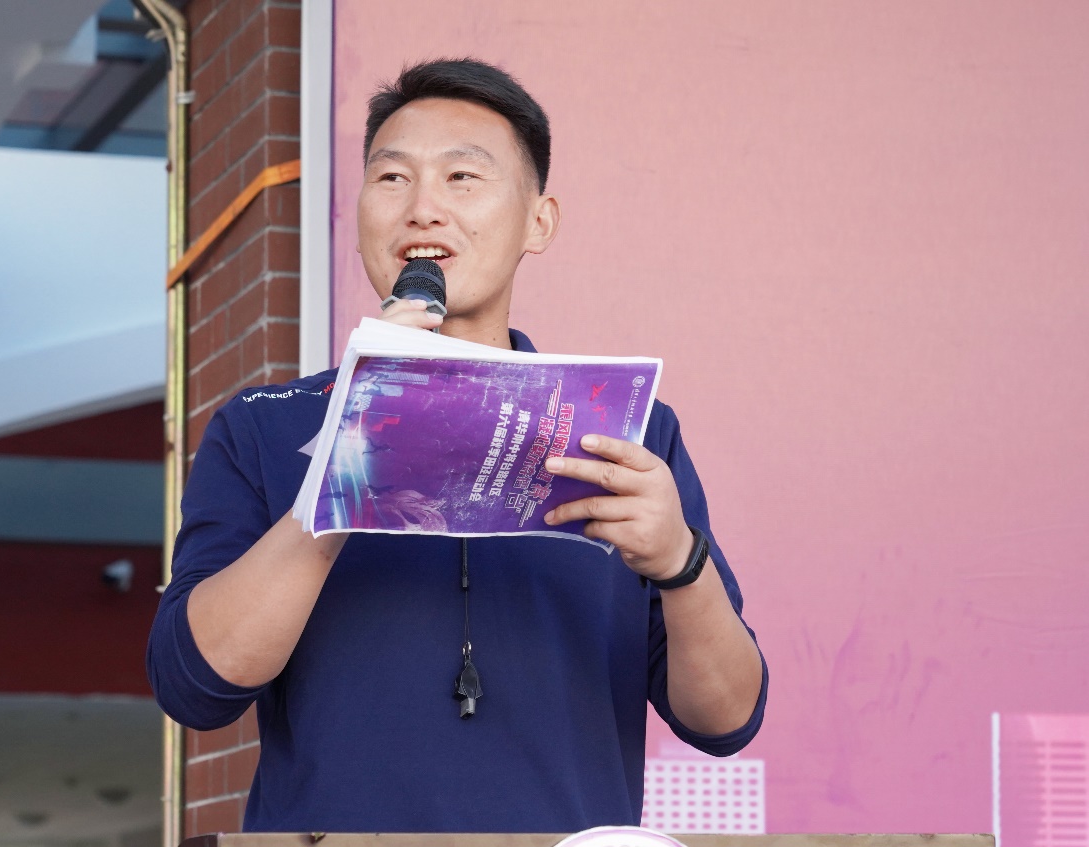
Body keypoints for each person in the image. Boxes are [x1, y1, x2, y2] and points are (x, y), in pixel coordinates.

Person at [147, 58, 767, 833]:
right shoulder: (264, 426)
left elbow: (726, 718)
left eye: (462, 178)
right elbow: (195, 686)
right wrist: (349, 463)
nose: (422, 210)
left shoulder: (625, 432)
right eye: (392, 178)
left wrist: (680, 560)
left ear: (539, 222)